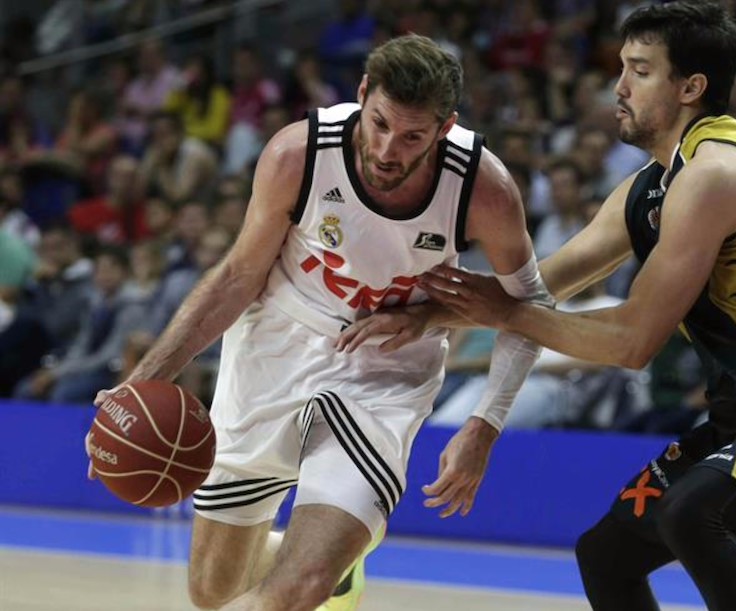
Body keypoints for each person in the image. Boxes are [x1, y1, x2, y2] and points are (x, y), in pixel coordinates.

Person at [342, 4, 736, 610]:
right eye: (623, 68)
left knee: (694, 515)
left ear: (691, 88)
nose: (619, 86)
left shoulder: (717, 172)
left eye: (640, 70)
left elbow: (631, 343)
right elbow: (538, 285)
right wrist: (425, 315)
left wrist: (502, 315)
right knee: (607, 554)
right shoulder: (652, 185)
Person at [86, 34, 547, 611]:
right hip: (274, 346)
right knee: (214, 591)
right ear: (362, 94)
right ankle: (333, 569)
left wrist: (484, 425)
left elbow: (530, 305)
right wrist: (141, 383)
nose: (388, 150)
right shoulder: (297, 154)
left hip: (382, 370)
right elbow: (236, 277)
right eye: (379, 124)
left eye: (412, 137)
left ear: (445, 128)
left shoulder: (483, 188)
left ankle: (323, 566)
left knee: (299, 588)